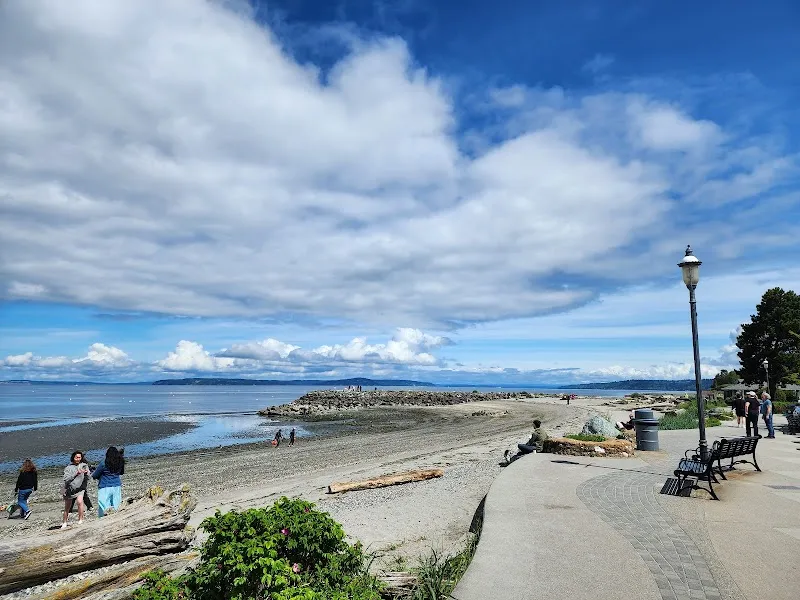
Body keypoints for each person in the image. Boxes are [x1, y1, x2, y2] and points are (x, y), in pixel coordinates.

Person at [92, 447, 125, 517]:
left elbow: (95, 475)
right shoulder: (120, 462)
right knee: (116, 504)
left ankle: (103, 518)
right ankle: (116, 517)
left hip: (105, 485)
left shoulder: (104, 463)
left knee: (103, 504)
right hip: (116, 485)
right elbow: (121, 472)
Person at [62, 451, 89, 529]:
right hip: (69, 489)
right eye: (77, 457)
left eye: (79, 457)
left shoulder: (84, 465)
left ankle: (80, 520)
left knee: (80, 502)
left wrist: (87, 473)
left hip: (80, 488)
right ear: (73, 458)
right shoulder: (68, 468)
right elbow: (66, 479)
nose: (78, 459)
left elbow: (89, 476)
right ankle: (64, 522)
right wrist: (76, 473)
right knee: (67, 507)